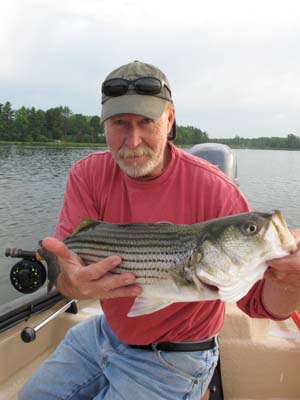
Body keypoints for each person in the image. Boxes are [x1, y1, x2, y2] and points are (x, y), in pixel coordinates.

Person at [20, 61, 300, 400]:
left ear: (169, 120)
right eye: (119, 123)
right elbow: (67, 271)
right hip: (104, 334)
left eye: (146, 122)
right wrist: (69, 283)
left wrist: (291, 282)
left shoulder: (217, 190)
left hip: (176, 356)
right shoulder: (87, 174)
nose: (132, 140)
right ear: (104, 125)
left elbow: (260, 305)